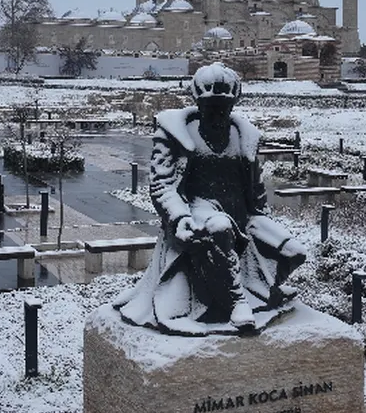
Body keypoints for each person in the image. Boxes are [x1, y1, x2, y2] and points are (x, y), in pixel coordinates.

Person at [113, 63, 306, 335]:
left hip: (243, 217)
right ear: (199, 103)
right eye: (211, 107)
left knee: (295, 252)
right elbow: (161, 184)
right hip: (198, 211)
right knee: (219, 228)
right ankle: (236, 302)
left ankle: (263, 289)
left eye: (224, 107)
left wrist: (264, 220)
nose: (217, 113)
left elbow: (256, 189)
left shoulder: (244, 137)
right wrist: (178, 217)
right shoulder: (174, 133)